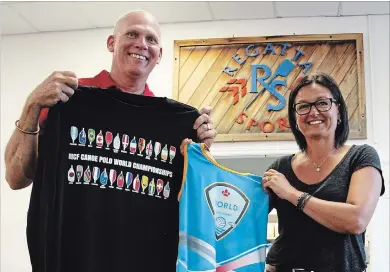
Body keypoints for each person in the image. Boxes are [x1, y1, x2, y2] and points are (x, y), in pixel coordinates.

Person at [4, 10, 216, 191]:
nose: (141, 44)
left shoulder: (168, 120)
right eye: (132, 34)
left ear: (159, 55)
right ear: (112, 43)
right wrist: (32, 105)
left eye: (150, 39)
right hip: (73, 237)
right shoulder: (68, 95)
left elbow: (191, 200)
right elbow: (16, 179)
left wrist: (199, 155)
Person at [262, 73, 385, 272]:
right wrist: (200, 153)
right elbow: (241, 215)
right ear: (294, 117)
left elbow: (356, 220)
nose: (313, 112)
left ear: (339, 110)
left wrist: (292, 194)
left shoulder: (361, 156)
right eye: (303, 106)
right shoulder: (280, 167)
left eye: (322, 103)